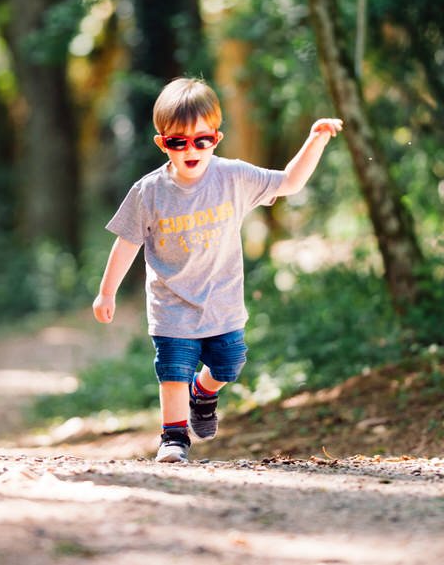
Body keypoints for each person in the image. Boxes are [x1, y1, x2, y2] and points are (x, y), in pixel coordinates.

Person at [92, 77, 342, 463]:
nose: (191, 149)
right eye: (178, 142)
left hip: (222, 303)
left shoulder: (233, 178)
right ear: (162, 143)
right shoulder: (149, 192)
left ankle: (204, 393)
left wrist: (316, 139)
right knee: (173, 369)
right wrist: (107, 291)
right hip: (171, 305)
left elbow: (290, 182)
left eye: (201, 140)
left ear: (216, 138)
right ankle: (173, 437)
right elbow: (126, 243)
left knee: (229, 363)